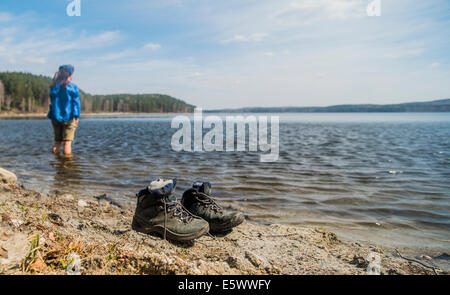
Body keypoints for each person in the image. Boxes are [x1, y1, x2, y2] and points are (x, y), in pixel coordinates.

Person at [47, 65, 81, 156]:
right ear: (70, 74)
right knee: (67, 143)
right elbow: (76, 103)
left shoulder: (54, 86)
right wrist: (77, 117)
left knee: (57, 142)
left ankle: (56, 163)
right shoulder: (72, 87)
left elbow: (53, 102)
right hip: (69, 117)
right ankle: (66, 166)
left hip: (55, 117)